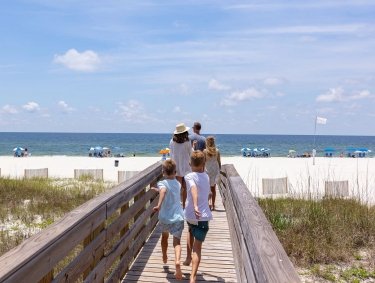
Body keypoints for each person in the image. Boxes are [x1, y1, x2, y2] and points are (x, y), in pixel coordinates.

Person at [183, 150, 213, 283]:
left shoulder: (188, 176)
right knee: (198, 248)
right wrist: (198, 204)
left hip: (190, 214)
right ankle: (193, 276)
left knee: (189, 230)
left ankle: (188, 257)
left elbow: (193, 188)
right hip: (203, 217)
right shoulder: (206, 176)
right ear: (203, 164)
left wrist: (194, 206)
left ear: (190, 163)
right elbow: (198, 189)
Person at [152, 159, 184, 280]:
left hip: (166, 217)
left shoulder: (162, 183)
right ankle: (177, 260)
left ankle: (164, 255)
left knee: (164, 237)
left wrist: (159, 205)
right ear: (175, 172)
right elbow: (168, 191)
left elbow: (164, 191)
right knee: (177, 242)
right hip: (178, 217)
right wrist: (158, 190)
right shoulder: (178, 183)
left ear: (163, 172)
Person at [170, 123, 193, 209]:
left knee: (178, 188)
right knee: (185, 187)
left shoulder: (172, 141)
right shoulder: (187, 141)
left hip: (176, 166)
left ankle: (177, 206)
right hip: (186, 166)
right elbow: (190, 153)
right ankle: (184, 206)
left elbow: (171, 154)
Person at [203, 136, 221, 211]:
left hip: (207, 170)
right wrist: (219, 170)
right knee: (213, 188)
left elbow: (203, 162)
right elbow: (219, 161)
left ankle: (207, 205)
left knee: (206, 188)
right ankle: (213, 205)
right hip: (214, 170)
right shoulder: (217, 151)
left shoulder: (204, 151)